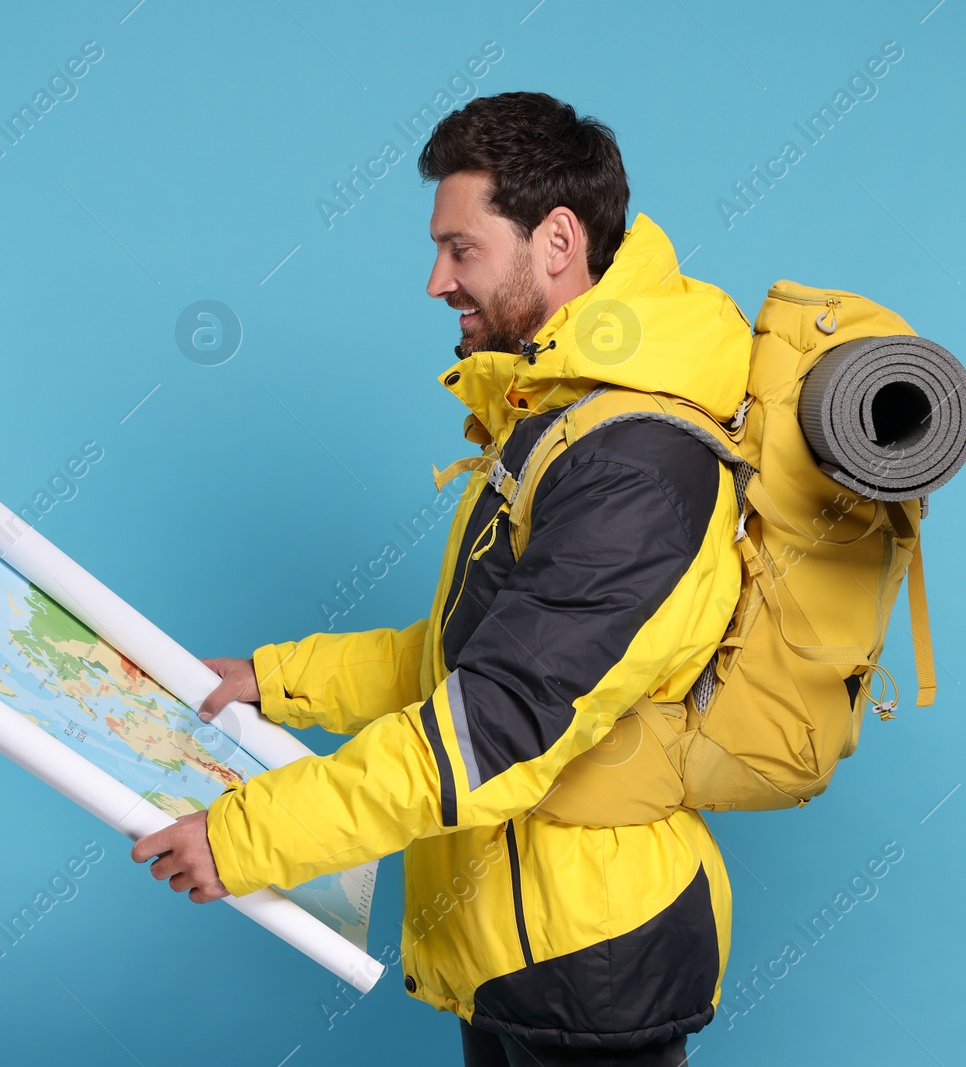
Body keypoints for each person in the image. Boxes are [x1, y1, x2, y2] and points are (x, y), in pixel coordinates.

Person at [132, 91, 755, 1066]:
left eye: (460, 249)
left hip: (586, 959)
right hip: (517, 943)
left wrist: (244, 837)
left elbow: (495, 721)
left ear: (556, 240)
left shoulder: (631, 458)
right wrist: (270, 676)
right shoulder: (560, 422)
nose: (435, 281)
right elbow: (466, 655)